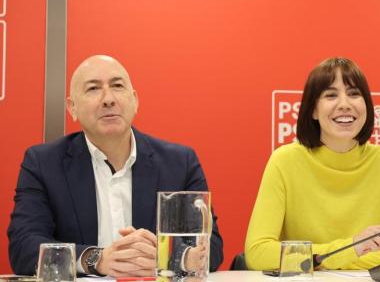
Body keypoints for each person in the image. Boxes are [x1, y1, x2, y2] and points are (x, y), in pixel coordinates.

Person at [8, 55, 223, 276]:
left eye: (117, 86)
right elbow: (24, 248)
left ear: (135, 100)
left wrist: (168, 256)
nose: (108, 99)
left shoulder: (179, 163)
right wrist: (96, 259)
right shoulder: (43, 163)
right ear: (72, 107)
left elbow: (212, 247)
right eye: (93, 89)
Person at [245, 57, 380, 270]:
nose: (345, 104)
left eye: (354, 94)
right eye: (331, 95)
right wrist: (351, 248)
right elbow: (258, 253)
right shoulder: (285, 161)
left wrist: (328, 260)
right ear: (313, 110)